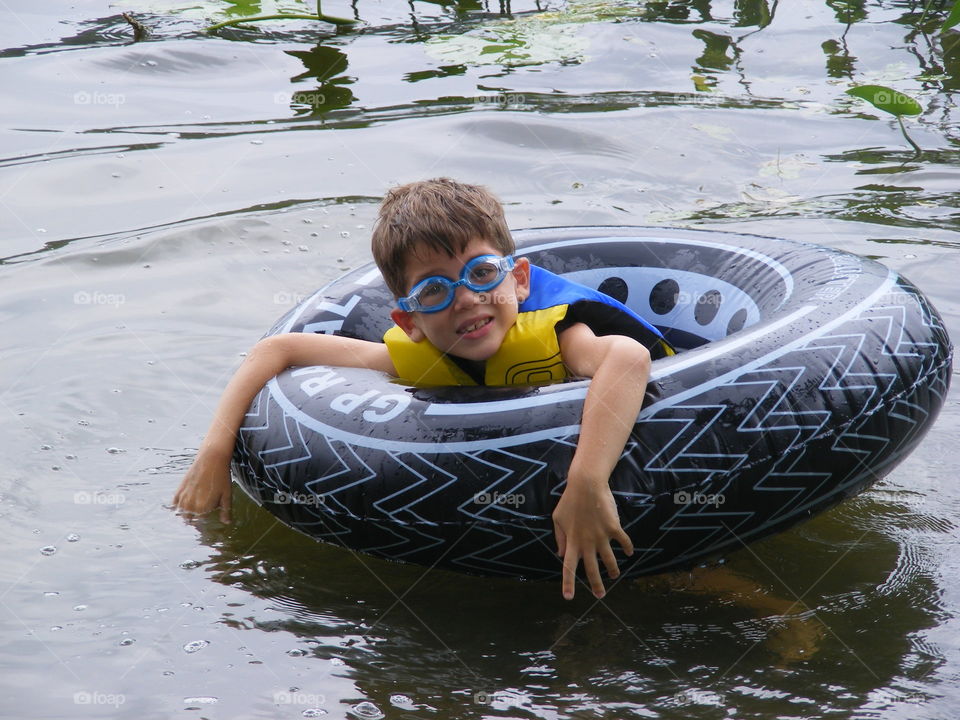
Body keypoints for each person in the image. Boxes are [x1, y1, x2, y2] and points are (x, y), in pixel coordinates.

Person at [173, 178, 672, 600]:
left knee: (672, 577)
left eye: (482, 273)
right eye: (435, 289)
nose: (469, 299)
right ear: (409, 320)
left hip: (643, 472)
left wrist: (586, 482)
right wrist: (214, 452)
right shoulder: (413, 355)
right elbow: (275, 351)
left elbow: (628, 357)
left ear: (518, 280)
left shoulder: (559, 336)